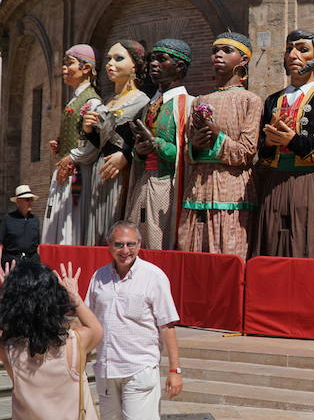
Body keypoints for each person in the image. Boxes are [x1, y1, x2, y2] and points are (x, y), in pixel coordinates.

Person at [85, 220, 183, 420]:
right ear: (109, 246)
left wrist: (175, 369)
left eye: (130, 244)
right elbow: (89, 323)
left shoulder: (154, 277)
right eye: (119, 244)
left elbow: (168, 325)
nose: (125, 250)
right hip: (106, 370)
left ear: (140, 245)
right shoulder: (99, 277)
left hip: (139, 371)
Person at [0, 260, 104, 420]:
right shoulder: (75, 343)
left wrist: (5, 295)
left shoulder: (9, 350)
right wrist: (74, 298)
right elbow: (96, 329)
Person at [254, 29, 314, 259]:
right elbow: (261, 151)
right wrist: (270, 142)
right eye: (289, 50)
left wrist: (292, 141)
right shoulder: (272, 100)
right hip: (274, 181)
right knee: (272, 240)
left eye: (302, 50)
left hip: (309, 181)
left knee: (307, 244)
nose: (293, 55)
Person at [178, 32, 263, 257]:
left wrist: (217, 136)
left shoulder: (250, 101)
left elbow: (246, 152)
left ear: (244, 59)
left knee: (228, 254)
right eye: (215, 50)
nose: (218, 55)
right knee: (193, 251)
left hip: (233, 189)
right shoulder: (199, 101)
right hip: (198, 187)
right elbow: (187, 153)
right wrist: (194, 146)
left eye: (227, 50)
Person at [79, 40, 151, 246]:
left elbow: (144, 139)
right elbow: (102, 143)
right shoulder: (108, 100)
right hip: (99, 172)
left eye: (118, 58)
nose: (110, 63)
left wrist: (126, 156)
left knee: (114, 228)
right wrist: (88, 129)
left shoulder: (141, 100)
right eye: (109, 58)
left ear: (134, 65)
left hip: (122, 175)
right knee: (95, 228)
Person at [125, 39, 194, 250]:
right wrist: (139, 151)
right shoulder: (149, 105)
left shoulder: (188, 104)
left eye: (161, 59)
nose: (153, 64)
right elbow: (139, 153)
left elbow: (187, 155)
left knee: (158, 246)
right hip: (143, 182)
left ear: (179, 66)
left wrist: (157, 145)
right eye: (151, 59)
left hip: (167, 186)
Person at [43, 44, 103, 246]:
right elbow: (76, 133)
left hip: (77, 175)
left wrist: (73, 156)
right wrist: (60, 144)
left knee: (71, 218)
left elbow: (94, 144)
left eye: (69, 63)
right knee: (58, 217)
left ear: (85, 69)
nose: (64, 69)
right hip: (67, 168)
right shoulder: (75, 100)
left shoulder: (93, 103)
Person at [0, 185, 41, 268]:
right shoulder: (7, 219)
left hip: (32, 263)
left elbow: (37, 246)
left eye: (31, 199)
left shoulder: (35, 220)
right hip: (11, 263)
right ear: (18, 202)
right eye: (27, 199)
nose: (30, 202)